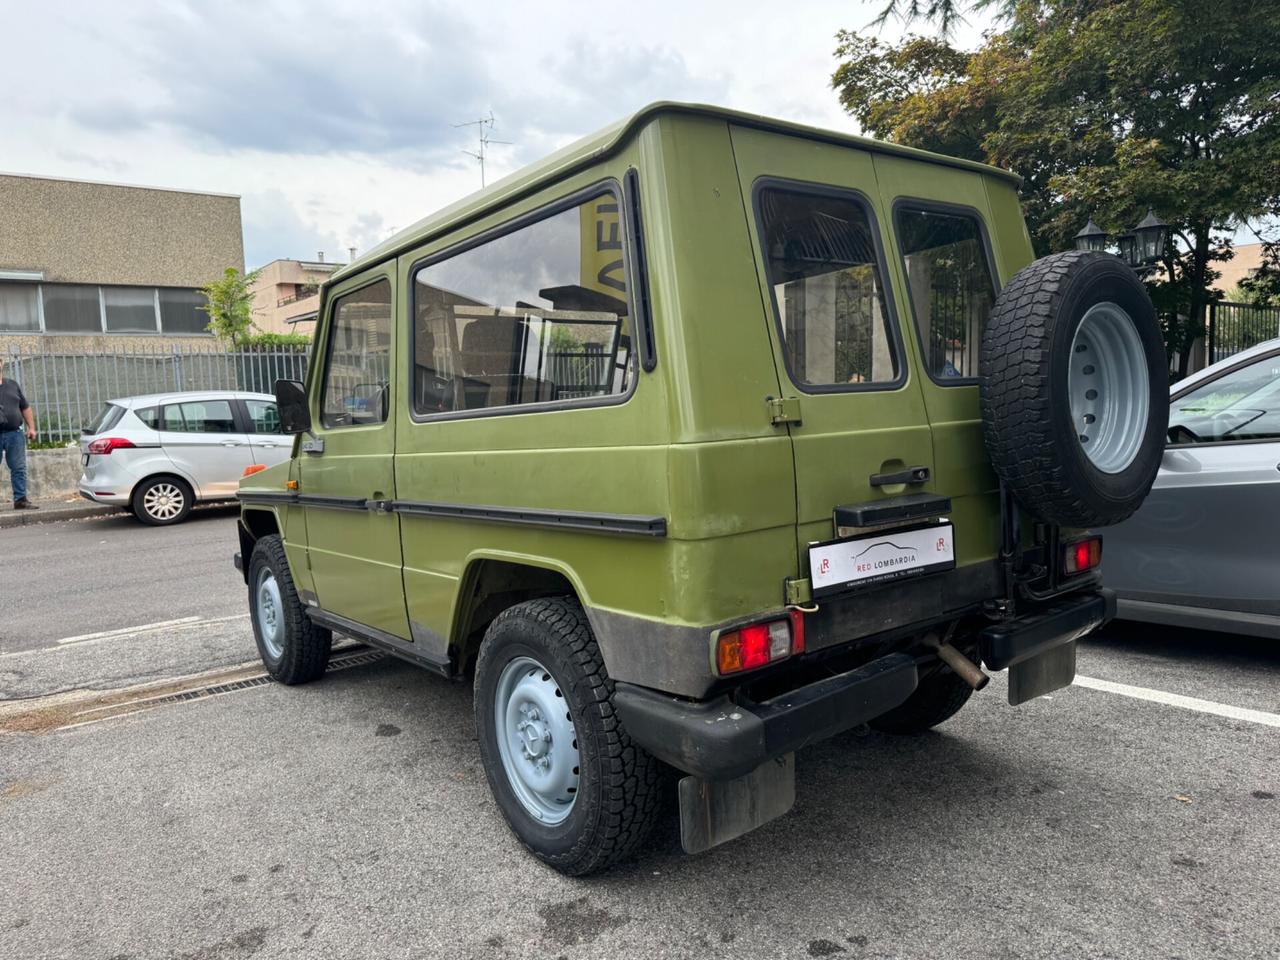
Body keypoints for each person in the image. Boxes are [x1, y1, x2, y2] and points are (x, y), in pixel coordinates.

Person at [0, 355, 39, 510]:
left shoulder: (12, 385)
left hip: (14, 433)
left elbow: (25, 407)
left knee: (18, 467)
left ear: (1, 364)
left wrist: (32, 428)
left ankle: (20, 500)